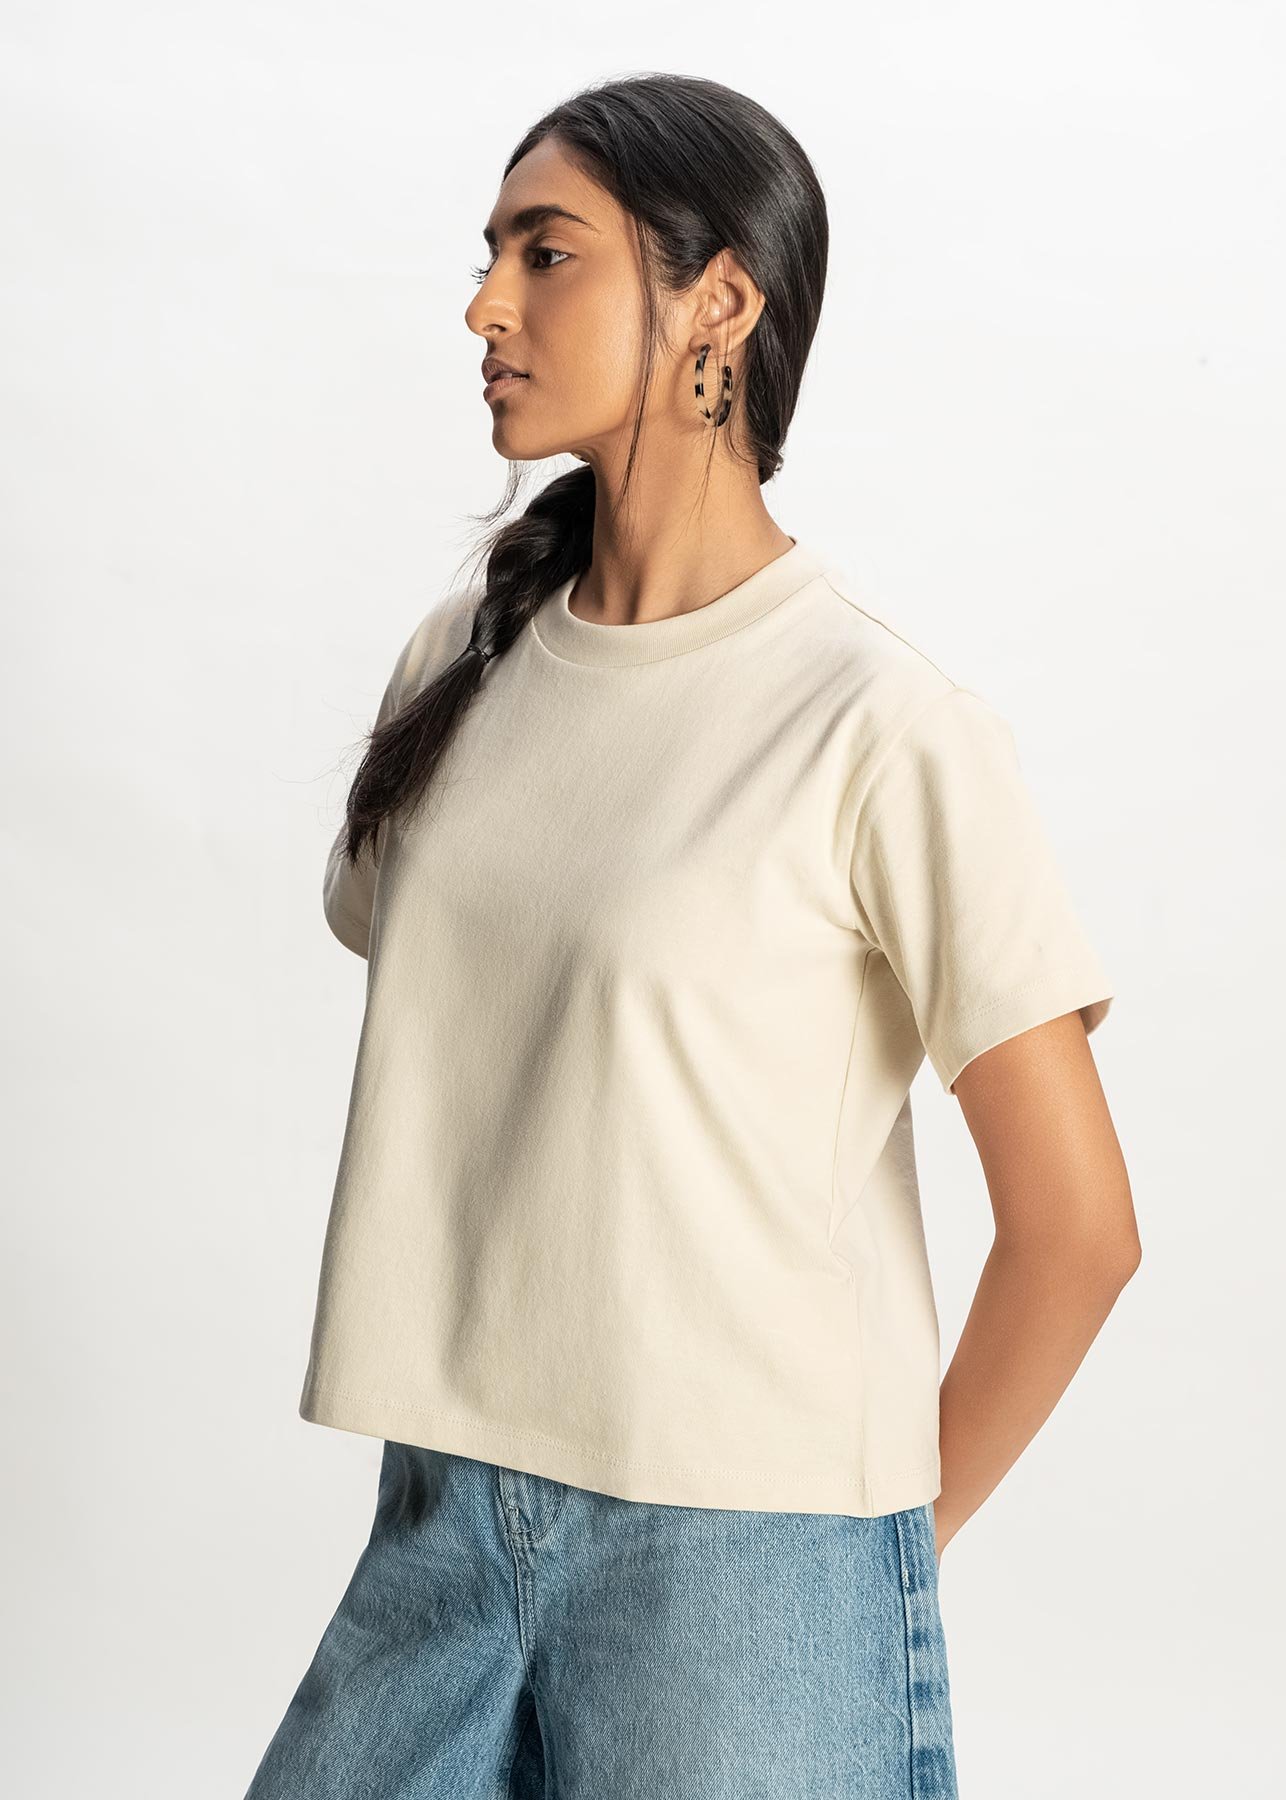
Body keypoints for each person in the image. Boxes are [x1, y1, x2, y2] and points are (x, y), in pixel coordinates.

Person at [245, 71, 1139, 1800]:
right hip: (441, 1520)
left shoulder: (879, 725)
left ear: (716, 301)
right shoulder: (466, 658)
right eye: (489, 254)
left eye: (544, 253)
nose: (484, 305)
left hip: (747, 1570)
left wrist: (862, 1557)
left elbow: (1078, 1229)